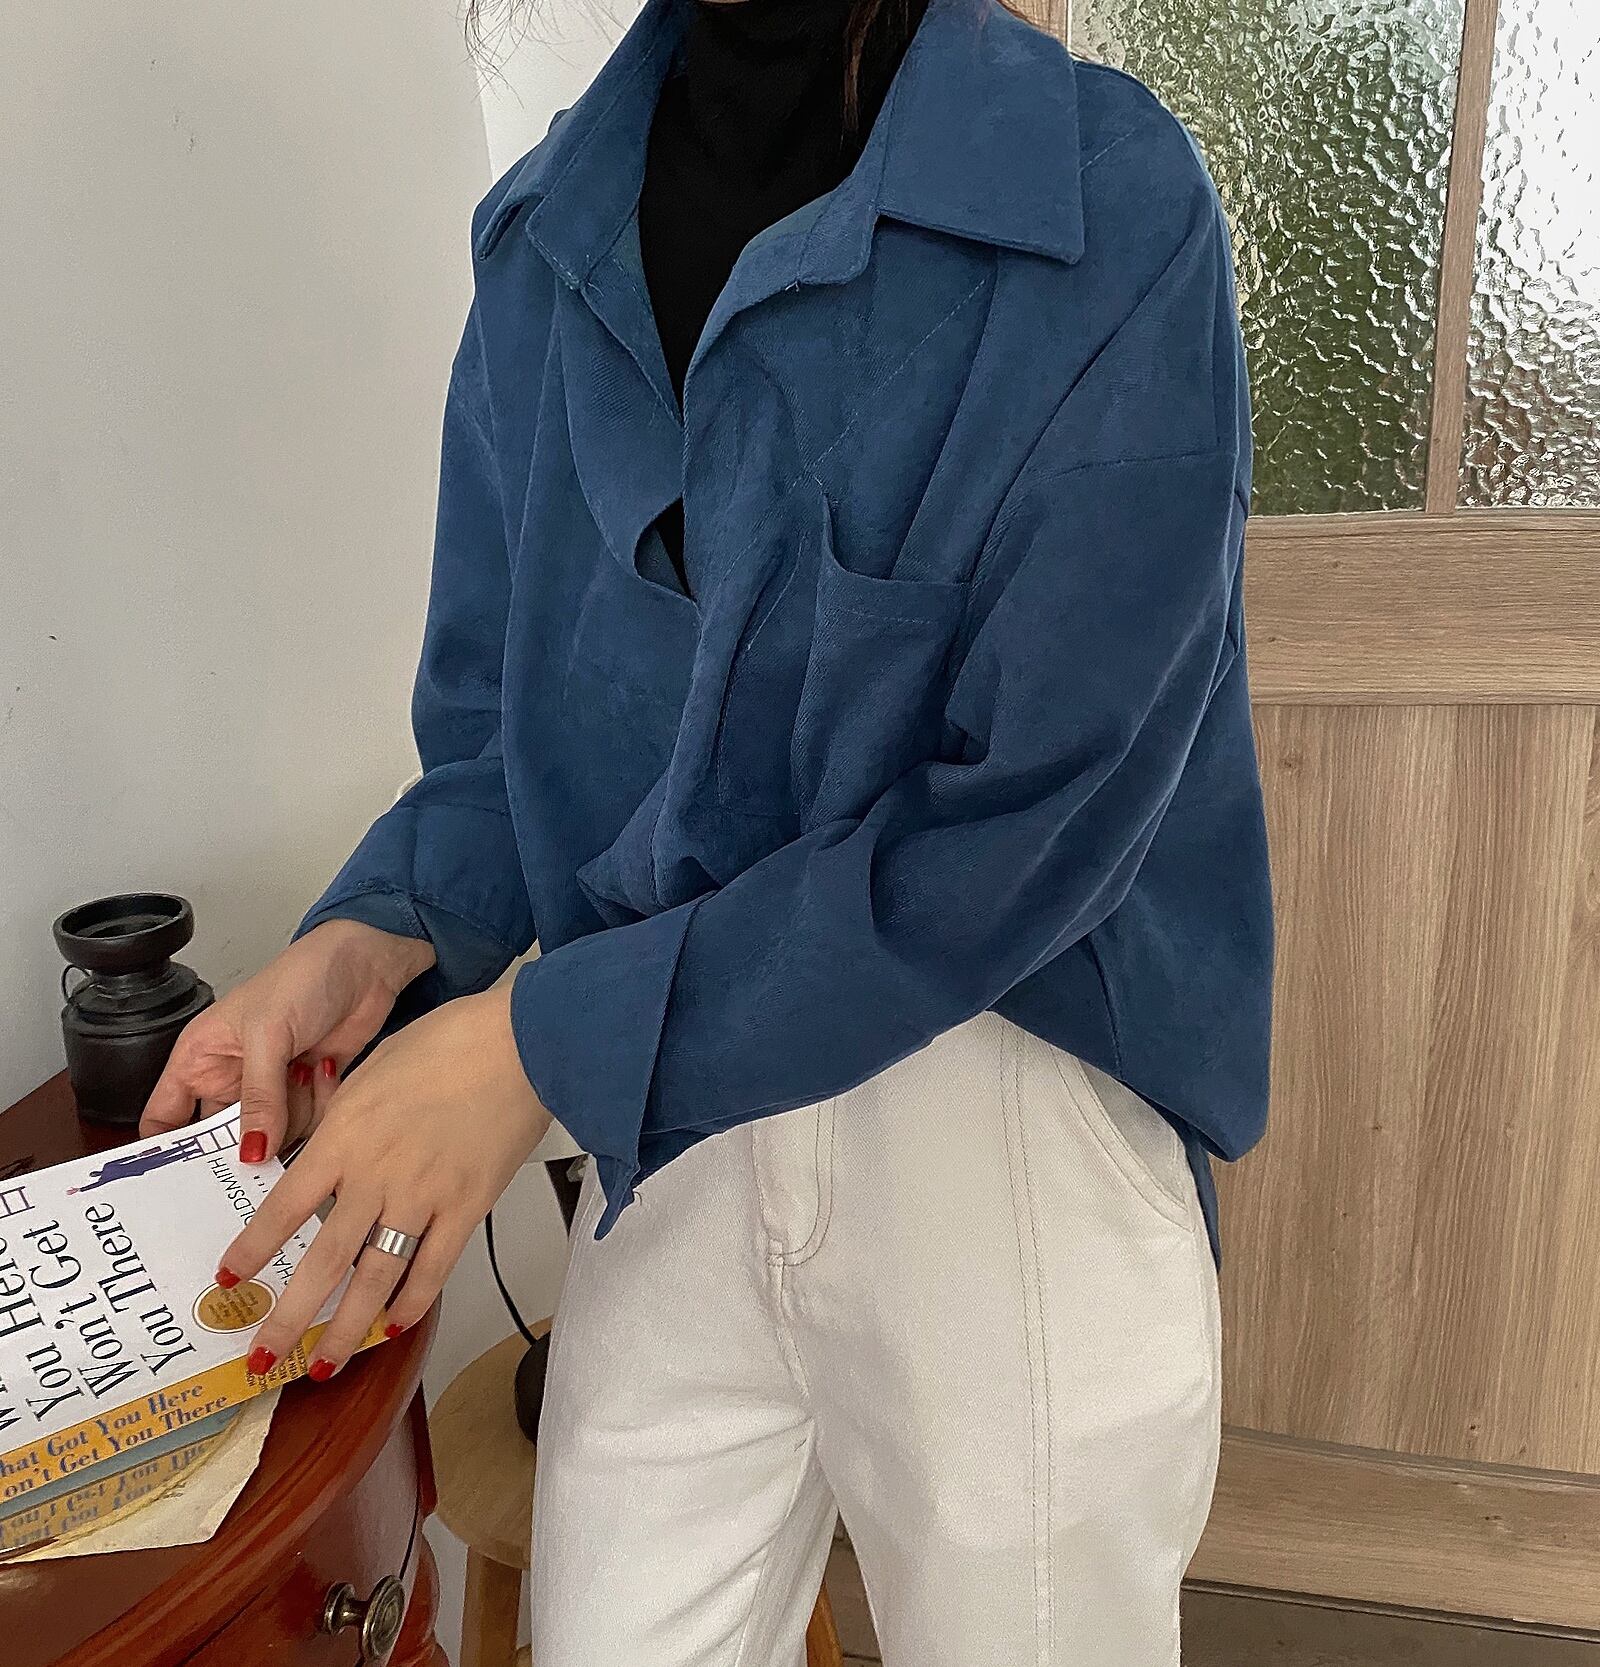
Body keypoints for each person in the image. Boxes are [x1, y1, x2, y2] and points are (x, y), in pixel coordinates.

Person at [143, 0, 1274, 1658]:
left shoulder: (1104, 205)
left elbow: (1034, 819)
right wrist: (379, 929)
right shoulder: (545, 243)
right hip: (667, 1115)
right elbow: (503, 740)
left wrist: (534, 1045)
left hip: (1004, 1111)